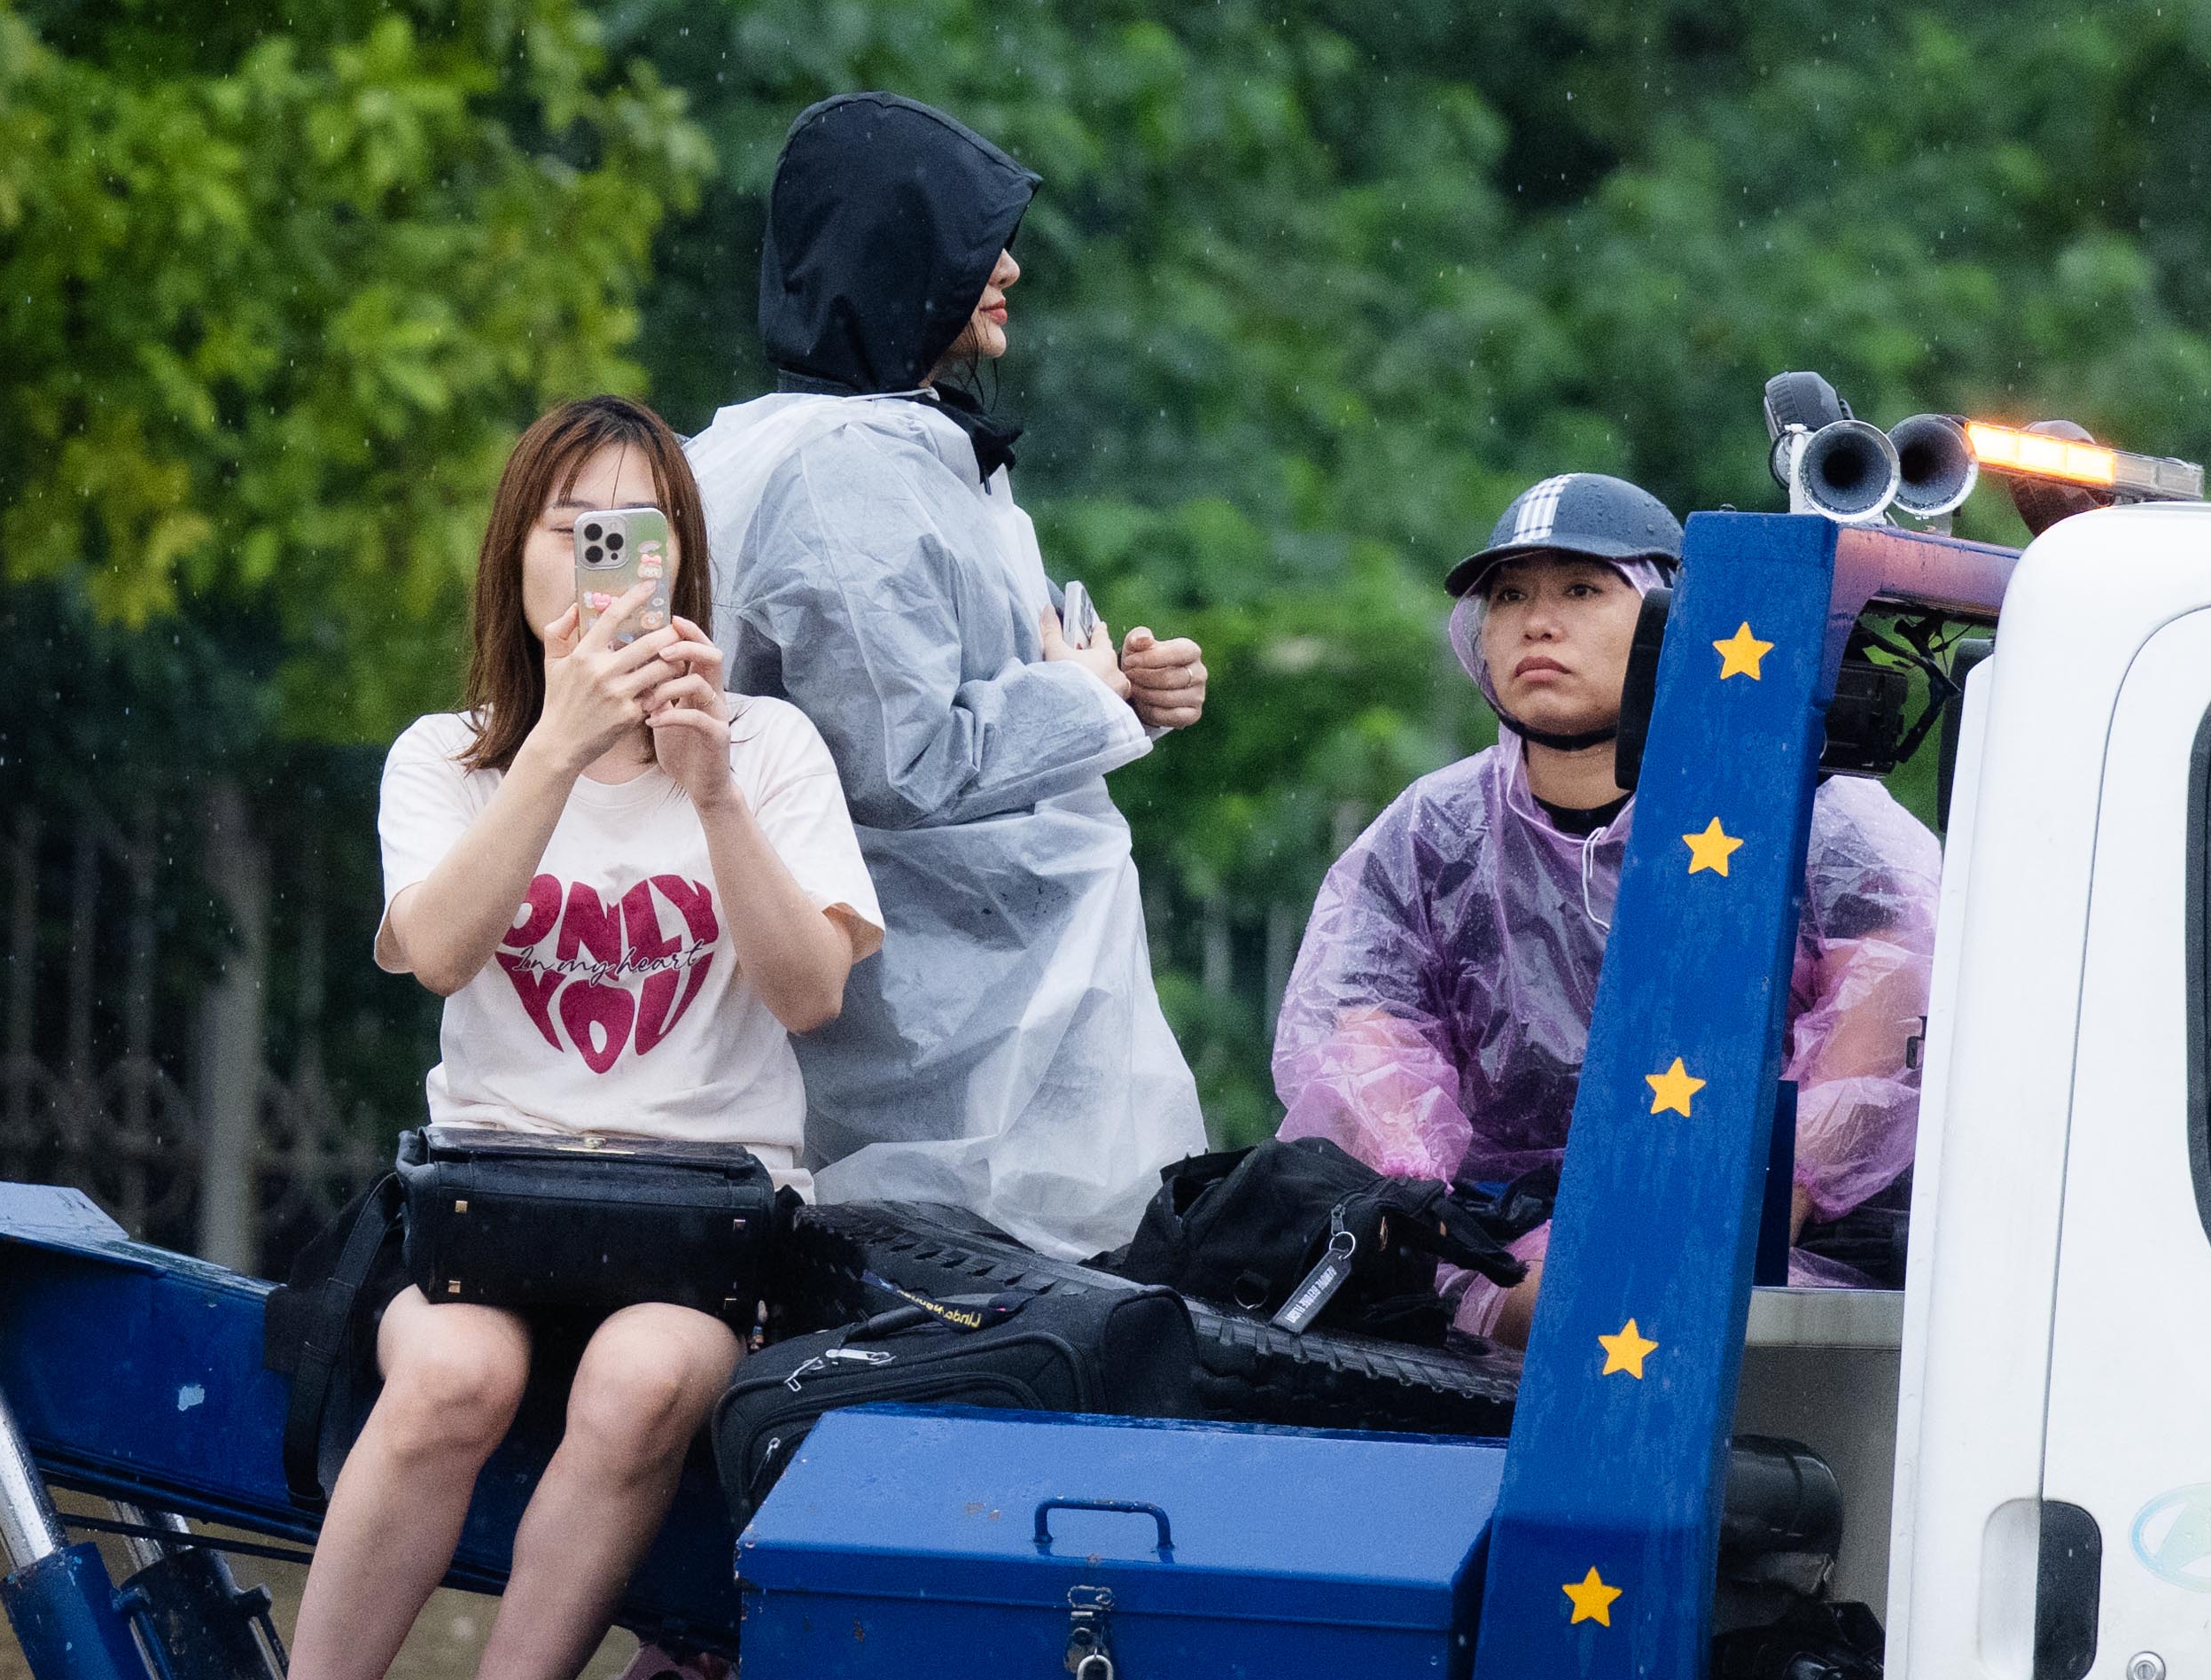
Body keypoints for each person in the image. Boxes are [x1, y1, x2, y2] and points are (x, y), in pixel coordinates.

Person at [251, 396, 879, 1680]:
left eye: (638, 528)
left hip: (704, 1218)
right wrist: (555, 750)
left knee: (647, 1373)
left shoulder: (771, 747)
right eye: (571, 525)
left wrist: (708, 779)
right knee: (456, 1372)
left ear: (679, 559)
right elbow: (442, 948)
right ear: (518, 558)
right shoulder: (443, 757)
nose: (604, 559)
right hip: (490, 1204)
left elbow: (809, 990)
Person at [681, 96, 1211, 1251]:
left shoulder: (897, 446)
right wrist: (1089, 701)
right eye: (978, 243)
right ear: (898, 257)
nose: (1009, 267)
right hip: (919, 1058)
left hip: (973, 1037)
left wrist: (1125, 700)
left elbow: (972, 693)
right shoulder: (844, 476)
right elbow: (902, 757)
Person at [1269, 471, 1935, 1333]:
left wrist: (1724, 1225)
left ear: (1672, 615)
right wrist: (1445, 1223)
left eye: (1582, 588)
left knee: (1629, 1308)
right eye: (1509, 595)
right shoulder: (1430, 832)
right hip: (1501, 1264)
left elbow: (1882, 1028)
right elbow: (1363, 1039)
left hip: (1788, 1273)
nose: (1537, 621)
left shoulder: (1807, 811)